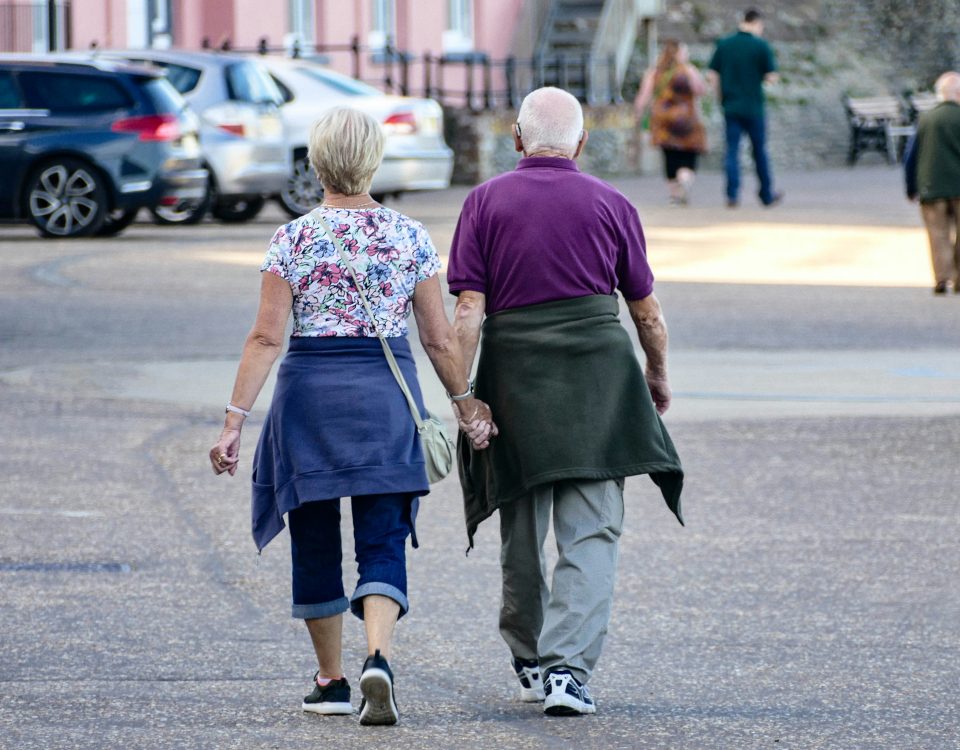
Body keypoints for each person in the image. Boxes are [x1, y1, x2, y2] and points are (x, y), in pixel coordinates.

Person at [208, 107, 495, 726]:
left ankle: (332, 681)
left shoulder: (293, 238)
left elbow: (265, 339)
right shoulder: (411, 237)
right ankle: (380, 660)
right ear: (374, 162)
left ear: (316, 163)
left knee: (314, 540)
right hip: (385, 402)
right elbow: (440, 340)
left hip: (307, 405)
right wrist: (466, 406)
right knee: (383, 540)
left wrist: (234, 420)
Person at [447, 86, 685, 717]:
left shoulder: (485, 202)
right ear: (582, 142)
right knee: (592, 530)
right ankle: (567, 674)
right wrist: (655, 377)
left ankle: (529, 658)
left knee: (519, 528)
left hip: (514, 379)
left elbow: (468, 309)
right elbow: (647, 312)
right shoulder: (612, 202)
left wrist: (464, 395)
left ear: (518, 140)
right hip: (597, 384)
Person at [707, 8, 782, 207]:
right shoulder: (761, 46)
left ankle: (732, 194)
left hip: (731, 106)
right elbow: (772, 76)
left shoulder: (724, 44)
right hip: (754, 107)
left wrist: (720, 97)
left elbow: (712, 75)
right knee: (759, 151)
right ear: (757, 23)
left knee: (732, 151)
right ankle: (766, 194)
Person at [904, 71, 960, 295]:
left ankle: (941, 277)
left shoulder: (926, 119)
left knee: (937, 233)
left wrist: (911, 187)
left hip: (931, 186)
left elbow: (911, 156)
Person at [634, 39, 708, 205]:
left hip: (664, 120)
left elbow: (644, 96)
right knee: (689, 153)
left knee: (669, 155)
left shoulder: (654, 72)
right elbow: (701, 90)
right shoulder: (689, 70)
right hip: (688, 118)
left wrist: (638, 113)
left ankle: (674, 194)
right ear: (680, 53)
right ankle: (685, 177)